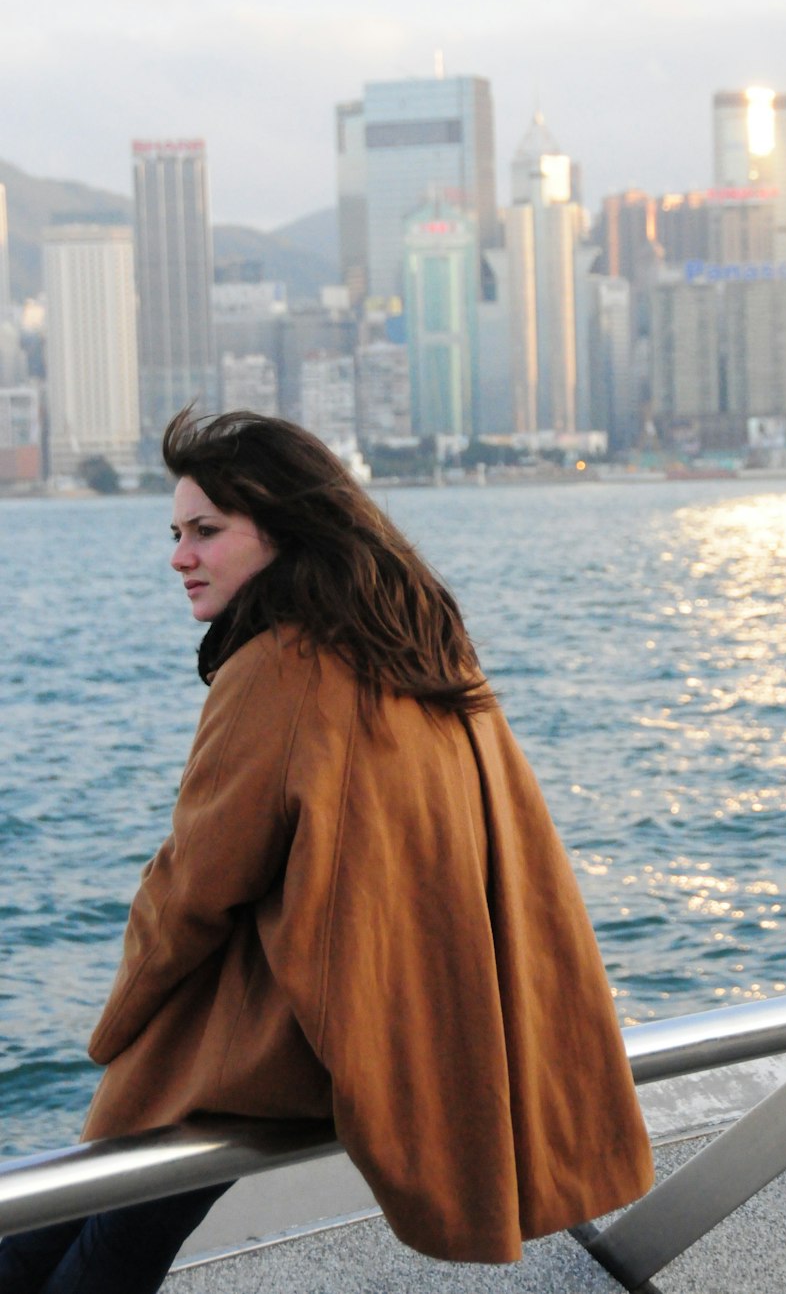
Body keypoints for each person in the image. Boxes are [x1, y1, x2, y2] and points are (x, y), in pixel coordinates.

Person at [0, 409, 653, 1293]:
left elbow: (195, 884)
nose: (179, 556)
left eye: (206, 532)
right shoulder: (417, 638)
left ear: (283, 530)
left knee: (108, 1217)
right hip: (410, 1015)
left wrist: (116, 1027)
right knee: (93, 1217)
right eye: (175, 533)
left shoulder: (279, 664)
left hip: (304, 1033)